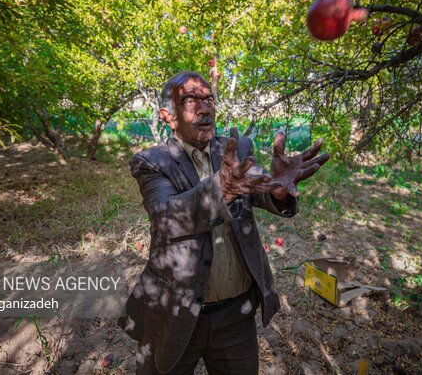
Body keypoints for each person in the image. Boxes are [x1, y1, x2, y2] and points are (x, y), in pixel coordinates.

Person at [118, 71, 330, 375]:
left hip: (236, 314)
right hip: (175, 312)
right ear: (168, 116)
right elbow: (167, 217)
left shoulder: (236, 149)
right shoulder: (152, 161)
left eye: (208, 99)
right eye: (190, 100)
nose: (204, 108)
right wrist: (223, 189)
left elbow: (257, 192)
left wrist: (278, 189)